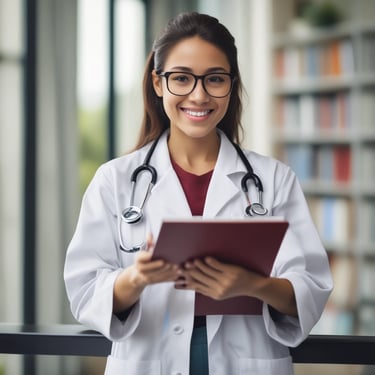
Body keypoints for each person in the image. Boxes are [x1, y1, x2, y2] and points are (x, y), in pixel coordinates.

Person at [64, 12, 332, 375]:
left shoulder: (273, 180)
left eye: (215, 79)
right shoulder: (115, 180)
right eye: (182, 79)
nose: (199, 94)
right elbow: (84, 290)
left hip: (244, 361)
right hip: (149, 359)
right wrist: (136, 278)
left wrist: (253, 285)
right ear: (158, 84)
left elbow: (310, 288)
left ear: (231, 85)